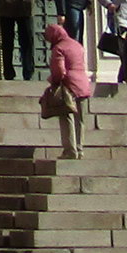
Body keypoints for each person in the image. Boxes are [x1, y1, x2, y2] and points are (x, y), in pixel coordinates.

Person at [42, 17, 93, 158]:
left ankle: (70, 150)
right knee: (80, 119)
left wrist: (53, 81)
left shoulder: (59, 48)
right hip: (83, 84)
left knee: (66, 117)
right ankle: (80, 148)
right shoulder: (77, 45)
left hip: (68, 86)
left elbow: (59, 71)